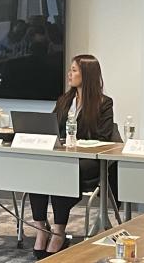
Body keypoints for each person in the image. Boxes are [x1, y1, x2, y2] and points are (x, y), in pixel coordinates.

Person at [29, 54, 114, 259]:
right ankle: (41, 228)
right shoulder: (65, 100)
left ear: (87, 74)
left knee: (61, 170)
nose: (70, 74)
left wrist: (76, 143)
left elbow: (104, 138)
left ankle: (58, 232)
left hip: (89, 161)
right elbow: (51, 128)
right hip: (63, 156)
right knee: (35, 169)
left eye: (74, 70)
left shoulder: (104, 103)